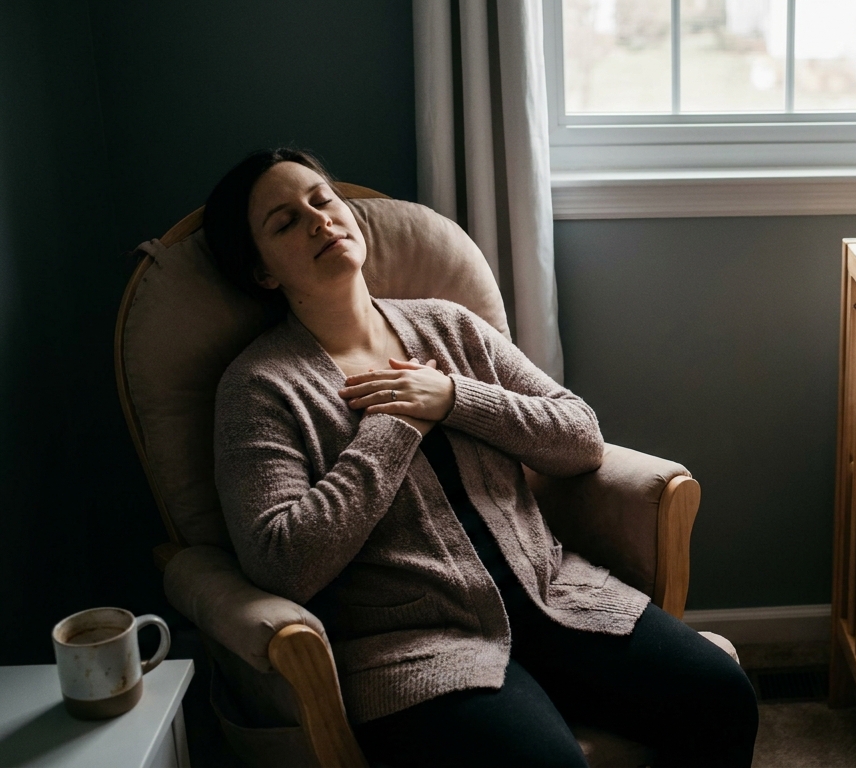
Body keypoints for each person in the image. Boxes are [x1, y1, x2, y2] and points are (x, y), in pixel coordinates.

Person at [205, 148, 757, 767]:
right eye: (284, 222)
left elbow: (579, 438)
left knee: (723, 696)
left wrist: (452, 396)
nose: (317, 220)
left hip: (552, 594)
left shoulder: (450, 327)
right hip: (415, 645)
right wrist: (393, 426)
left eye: (322, 199)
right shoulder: (259, 387)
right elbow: (281, 560)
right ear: (263, 273)